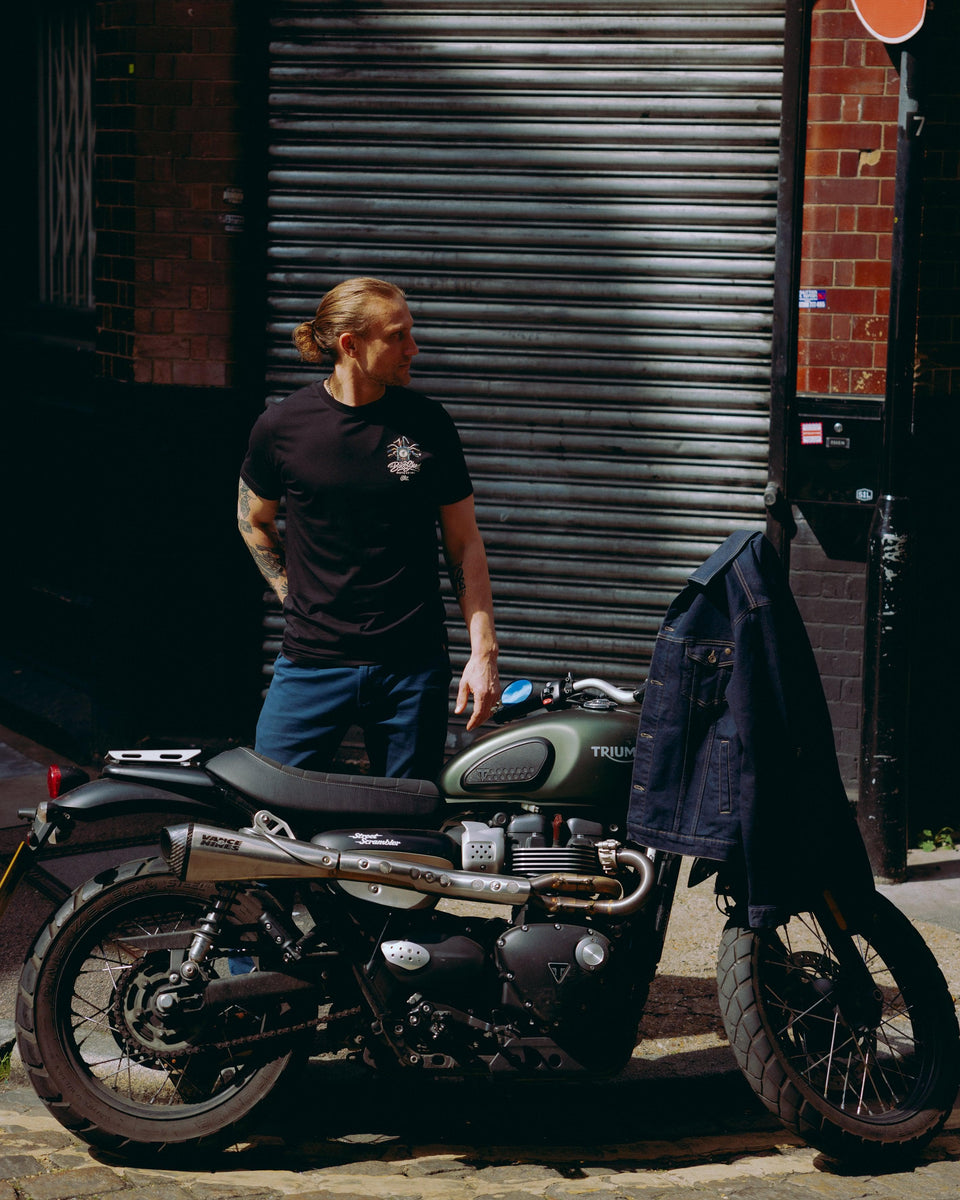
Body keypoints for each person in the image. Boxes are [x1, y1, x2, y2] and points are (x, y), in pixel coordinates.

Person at [238, 277, 500, 780]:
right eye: (397, 336)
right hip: (312, 664)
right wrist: (292, 595)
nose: (413, 347)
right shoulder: (281, 427)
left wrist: (483, 651)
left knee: (405, 821)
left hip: (411, 669)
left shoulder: (429, 424)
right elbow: (253, 519)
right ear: (350, 345)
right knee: (269, 805)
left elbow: (464, 542)